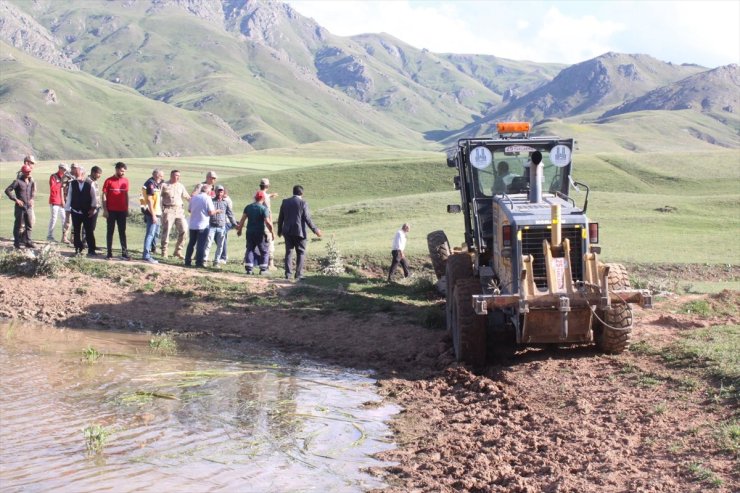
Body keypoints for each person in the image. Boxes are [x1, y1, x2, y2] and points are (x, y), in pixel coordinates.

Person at [277, 185, 322, 280]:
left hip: (287, 231)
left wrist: (279, 230)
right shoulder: (303, 203)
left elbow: (281, 217)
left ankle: (288, 274)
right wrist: (315, 230)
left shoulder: (285, 202)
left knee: (288, 252)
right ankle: (299, 274)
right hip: (299, 232)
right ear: (302, 193)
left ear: (293, 192)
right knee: (300, 252)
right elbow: (307, 218)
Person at [236, 190, 273, 275]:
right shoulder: (264, 209)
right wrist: (272, 232)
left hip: (249, 232)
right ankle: (263, 269)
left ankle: (249, 269)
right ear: (263, 198)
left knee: (250, 249)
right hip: (260, 233)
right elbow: (267, 222)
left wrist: (240, 230)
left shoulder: (248, 207)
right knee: (264, 251)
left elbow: (242, 220)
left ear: (255, 198)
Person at [185, 184, 221, 268]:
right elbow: (211, 212)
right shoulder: (207, 198)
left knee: (191, 243)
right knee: (201, 244)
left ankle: (187, 260)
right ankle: (199, 262)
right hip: (203, 225)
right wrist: (217, 211)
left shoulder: (194, 197)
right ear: (208, 191)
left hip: (193, 224)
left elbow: (189, 210)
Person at [65, 165, 98, 256]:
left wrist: (93, 208)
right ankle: (78, 248)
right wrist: (67, 210)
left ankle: (91, 250)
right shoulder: (72, 183)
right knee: (76, 231)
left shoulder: (90, 183)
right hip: (75, 211)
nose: (76, 176)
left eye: (77, 174)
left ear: (83, 174)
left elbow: (94, 197)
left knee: (89, 231)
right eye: (75, 174)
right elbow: (69, 197)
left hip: (87, 212)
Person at [102, 161, 130, 260]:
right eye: (122, 171)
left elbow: (126, 195)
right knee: (110, 231)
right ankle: (109, 253)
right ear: (117, 169)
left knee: (122, 232)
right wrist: (105, 209)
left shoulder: (125, 181)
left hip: (122, 211)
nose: (123, 173)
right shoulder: (108, 181)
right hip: (111, 211)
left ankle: (124, 253)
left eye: (124, 171)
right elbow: (104, 195)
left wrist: (127, 209)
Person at [159, 169, 190, 259]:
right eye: (176, 175)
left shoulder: (180, 186)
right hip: (168, 209)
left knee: (184, 230)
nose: (178, 177)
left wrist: (195, 201)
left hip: (179, 210)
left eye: (179, 176)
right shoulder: (164, 185)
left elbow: (187, 197)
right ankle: (164, 251)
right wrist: (160, 210)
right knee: (166, 231)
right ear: (171, 176)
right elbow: (158, 197)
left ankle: (178, 251)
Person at [5, 164, 36, 249]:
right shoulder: (17, 181)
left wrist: (32, 198)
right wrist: (16, 199)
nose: (29, 173)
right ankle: (16, 243)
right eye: (27, 172)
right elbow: (7, 190)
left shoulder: (30, 181)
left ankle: (28, 241)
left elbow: (32, 191)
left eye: (30, 171)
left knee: (29, 225)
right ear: (23, 172)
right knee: (18, 225)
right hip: (20, 208)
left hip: (28, 207)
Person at [208, 185, 236, 267]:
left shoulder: (225, 202)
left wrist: (234, 224)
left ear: (223, 193)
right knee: (208, 244)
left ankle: (217, 261)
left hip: (222, 226)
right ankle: (203, 260)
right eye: (218, 191)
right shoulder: (211, 201)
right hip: (211, 226)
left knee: (220, 245)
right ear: (215, 192)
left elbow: (230, 214)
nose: (220, 193)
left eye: (221, 191)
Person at [141, 168, 164, 263]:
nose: (162, 178)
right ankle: (146, 255)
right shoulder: (150, 184)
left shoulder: (156, 184)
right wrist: (153, 215)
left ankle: (148, 253)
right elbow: (149, 200)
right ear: (156, 176)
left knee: (154, 233)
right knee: (150, 234)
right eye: (161, 176)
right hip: (152, 213)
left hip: (156, 212)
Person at [258, 178, 279, 269]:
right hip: (265, 223)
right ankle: (270, 264)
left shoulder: (257, 195)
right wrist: (271, 225)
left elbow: (264, 196)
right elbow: (268, 211)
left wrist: (270, 195)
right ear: (267, 186)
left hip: (256, 222)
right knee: (270, 241)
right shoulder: (266, 198)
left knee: (255, 242)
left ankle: (248, 261)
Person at [47, 163, 69, 241]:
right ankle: (49, 236)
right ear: (60, 168)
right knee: (54, 218)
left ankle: (64, 237)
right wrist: (62, 183)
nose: (65, 171)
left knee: (64, 218)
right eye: (64, 169)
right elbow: (53, 188)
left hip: (63, 201)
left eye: (66, 170)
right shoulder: (53, 176)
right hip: (55, 200)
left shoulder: (66, 177)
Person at [61, 163, 80, 244]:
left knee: (76, 221)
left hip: (76, 201)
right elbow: (62, 187)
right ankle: (64, 237)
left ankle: (73, 238)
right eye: (73, 168)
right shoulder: (67, 176)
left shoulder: (78, 176)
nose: (74, 169)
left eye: (75, 168)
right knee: (68, 220)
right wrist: (62, 199)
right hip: (68, 200)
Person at [87, 165, 103, 244]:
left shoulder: (94, 181)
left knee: (92, 226)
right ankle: (86, 242)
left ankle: (89, 242)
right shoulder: (88, 181)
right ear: (93, 173)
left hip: (96, 207)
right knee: (88, 226)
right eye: (98, 173)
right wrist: (92, 207)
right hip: (90, 207)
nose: (99, 175)